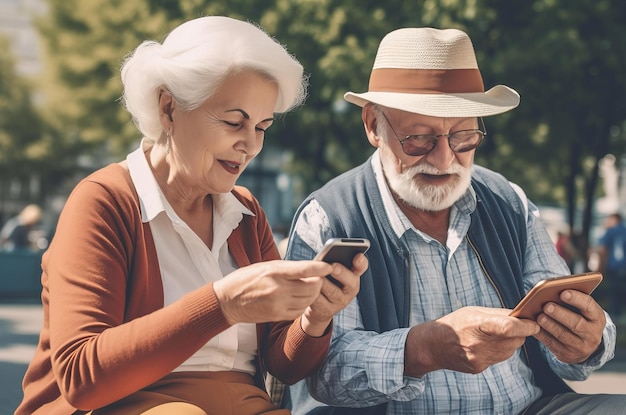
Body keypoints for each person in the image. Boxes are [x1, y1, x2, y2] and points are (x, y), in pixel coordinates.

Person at [15, 16, 367, 415]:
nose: (250, 145)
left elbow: (283, 367)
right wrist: (222, 305)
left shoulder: (247, 212)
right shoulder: (104, 201)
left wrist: (315, 317)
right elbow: (82, 378)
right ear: (169, 109)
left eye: (262, 126)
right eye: (234, 122)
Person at [283, 27, 623, 414]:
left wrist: (588, 341)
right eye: (419, 138)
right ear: (373, 125)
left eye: (463, 137)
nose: (444, 160)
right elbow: (317, 374)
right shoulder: (329, 217)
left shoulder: (508, 200)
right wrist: (423, 349)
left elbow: (571, 343)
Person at [598, 213, 626, 318]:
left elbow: (603, 250)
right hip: (624, 267)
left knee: (613, 293)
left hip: (613, 268)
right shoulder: (624, 230)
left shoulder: (610, 232)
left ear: (615, 220)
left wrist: (600, 269)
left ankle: (614, 318)